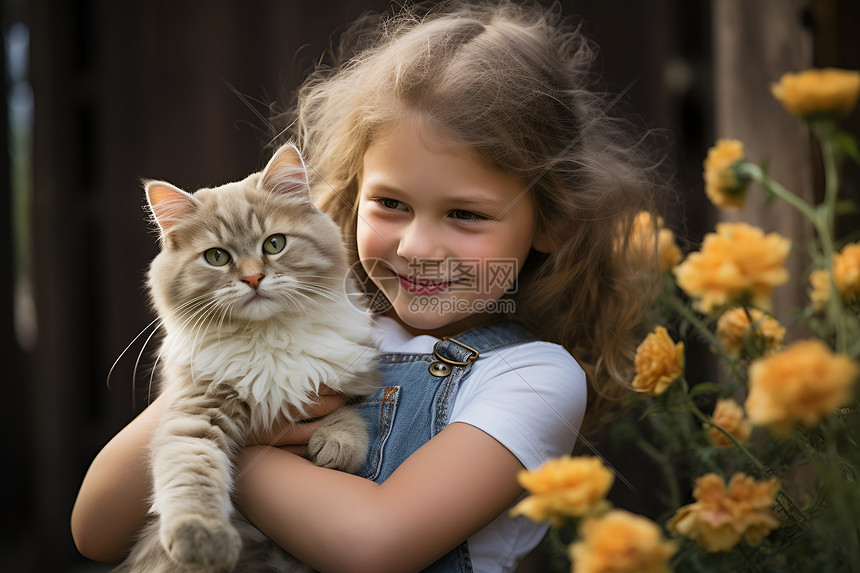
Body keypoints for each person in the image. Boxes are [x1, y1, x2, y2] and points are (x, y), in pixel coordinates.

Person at [71, 1, 666, 571]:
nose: (416, 247)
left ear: (552, 224)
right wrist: (200, 404)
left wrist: (234, 445)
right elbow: (94, 529)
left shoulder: (531, 377)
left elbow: (373, 546)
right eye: (390, 204)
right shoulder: (319, 322)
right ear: (352, 197)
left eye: (466, 214)